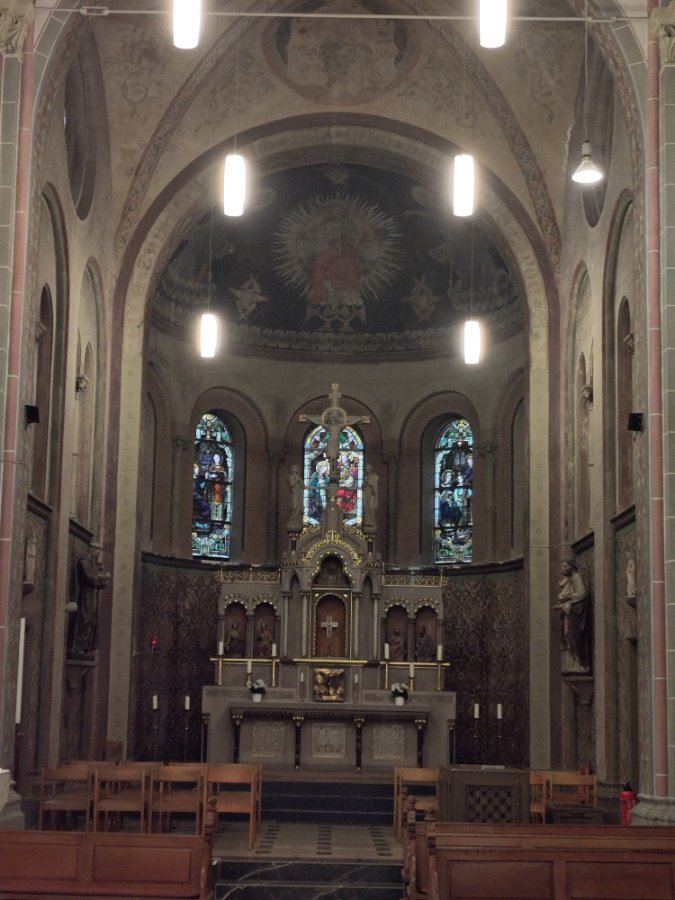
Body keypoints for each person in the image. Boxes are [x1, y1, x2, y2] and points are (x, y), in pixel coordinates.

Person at [68, 540, 110, 659]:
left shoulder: (94, 564)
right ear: (93, 551)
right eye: (98, 553)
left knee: (92, 621)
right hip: (85, 595)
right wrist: (102, 577)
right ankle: (77, 648)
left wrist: (101, 573)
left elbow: (102, 583)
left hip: (93, 596)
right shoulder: (84, 561)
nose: (99, 556)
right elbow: (89, 577)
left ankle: (86, 648)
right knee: (84, 619)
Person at [554, 559, 590, 671]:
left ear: (571, 566)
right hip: (570, 611)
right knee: (567, 637)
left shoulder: (576, 577)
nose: (563, 569)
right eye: (562, 566)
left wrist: (568, 598)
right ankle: (572, 664)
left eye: (565, 566)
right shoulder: (570, 579)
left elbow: (581, 594)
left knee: (574, 636)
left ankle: (579, 664)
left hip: (576, 612)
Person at [287, 464, 304, 531]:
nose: (296, 468)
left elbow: (303, 486)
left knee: (298, 508)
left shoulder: (299, 477)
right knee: (294, 507)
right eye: (294, 467)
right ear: (292, 469)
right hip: (294, 494)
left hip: (299, 495)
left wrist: (299, 480)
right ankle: (292, 521)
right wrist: (296, 480)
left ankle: (298, 522)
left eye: (296, 467)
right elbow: (292, 485)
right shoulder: (291, 477)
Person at [362, 464, 378, 529]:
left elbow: (374, 485)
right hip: (365, 494)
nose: (367, 470)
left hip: (371, 494)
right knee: (366, 508)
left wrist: (368, 482)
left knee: (371, 508)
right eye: (367, 469)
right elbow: (363, 485)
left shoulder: (374, 477)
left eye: (368, 469)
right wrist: (364, 483)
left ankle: (372, 523)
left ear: (371, 469)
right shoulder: (365, 477)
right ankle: (367, 522)